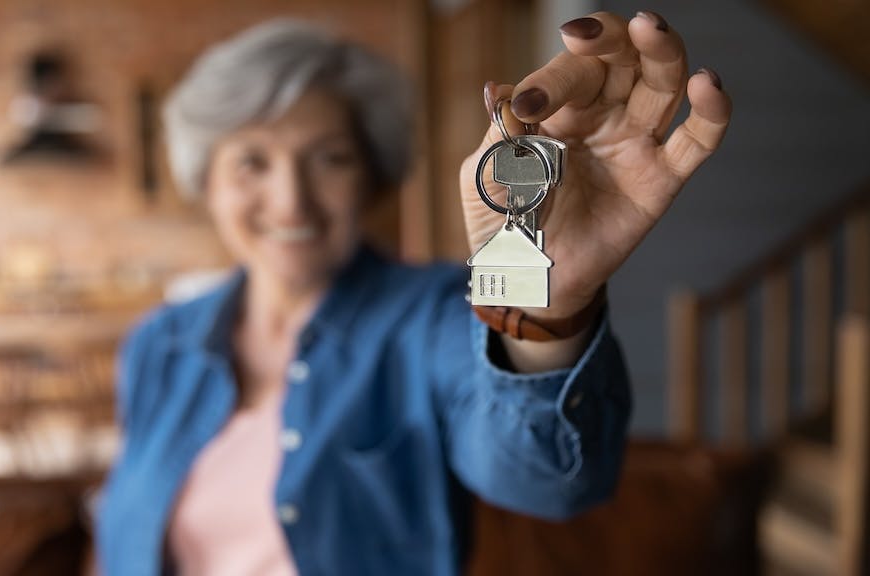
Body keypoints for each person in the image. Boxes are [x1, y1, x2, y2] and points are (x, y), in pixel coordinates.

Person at [97, 10, 731, 576]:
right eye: (251, 162)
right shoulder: (158, 342)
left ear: (373, 177)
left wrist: (538, 304)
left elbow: (545, 484)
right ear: (205, 182)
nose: (290, 201)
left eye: (330, 158)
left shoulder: (437, 314)